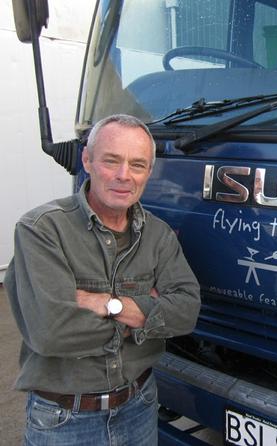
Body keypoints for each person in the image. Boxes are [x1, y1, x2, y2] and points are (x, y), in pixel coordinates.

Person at [5, 114, 201, 445]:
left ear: (148, 173)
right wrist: (143, 316)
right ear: (87, 160)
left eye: (137, 165)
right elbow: (51, 333)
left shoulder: (159, 235)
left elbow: (186, 311)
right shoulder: (41, 230)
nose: (124, 176)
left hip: (139, 407)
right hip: (64, 421)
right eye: (112, 161)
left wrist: (106, 304)